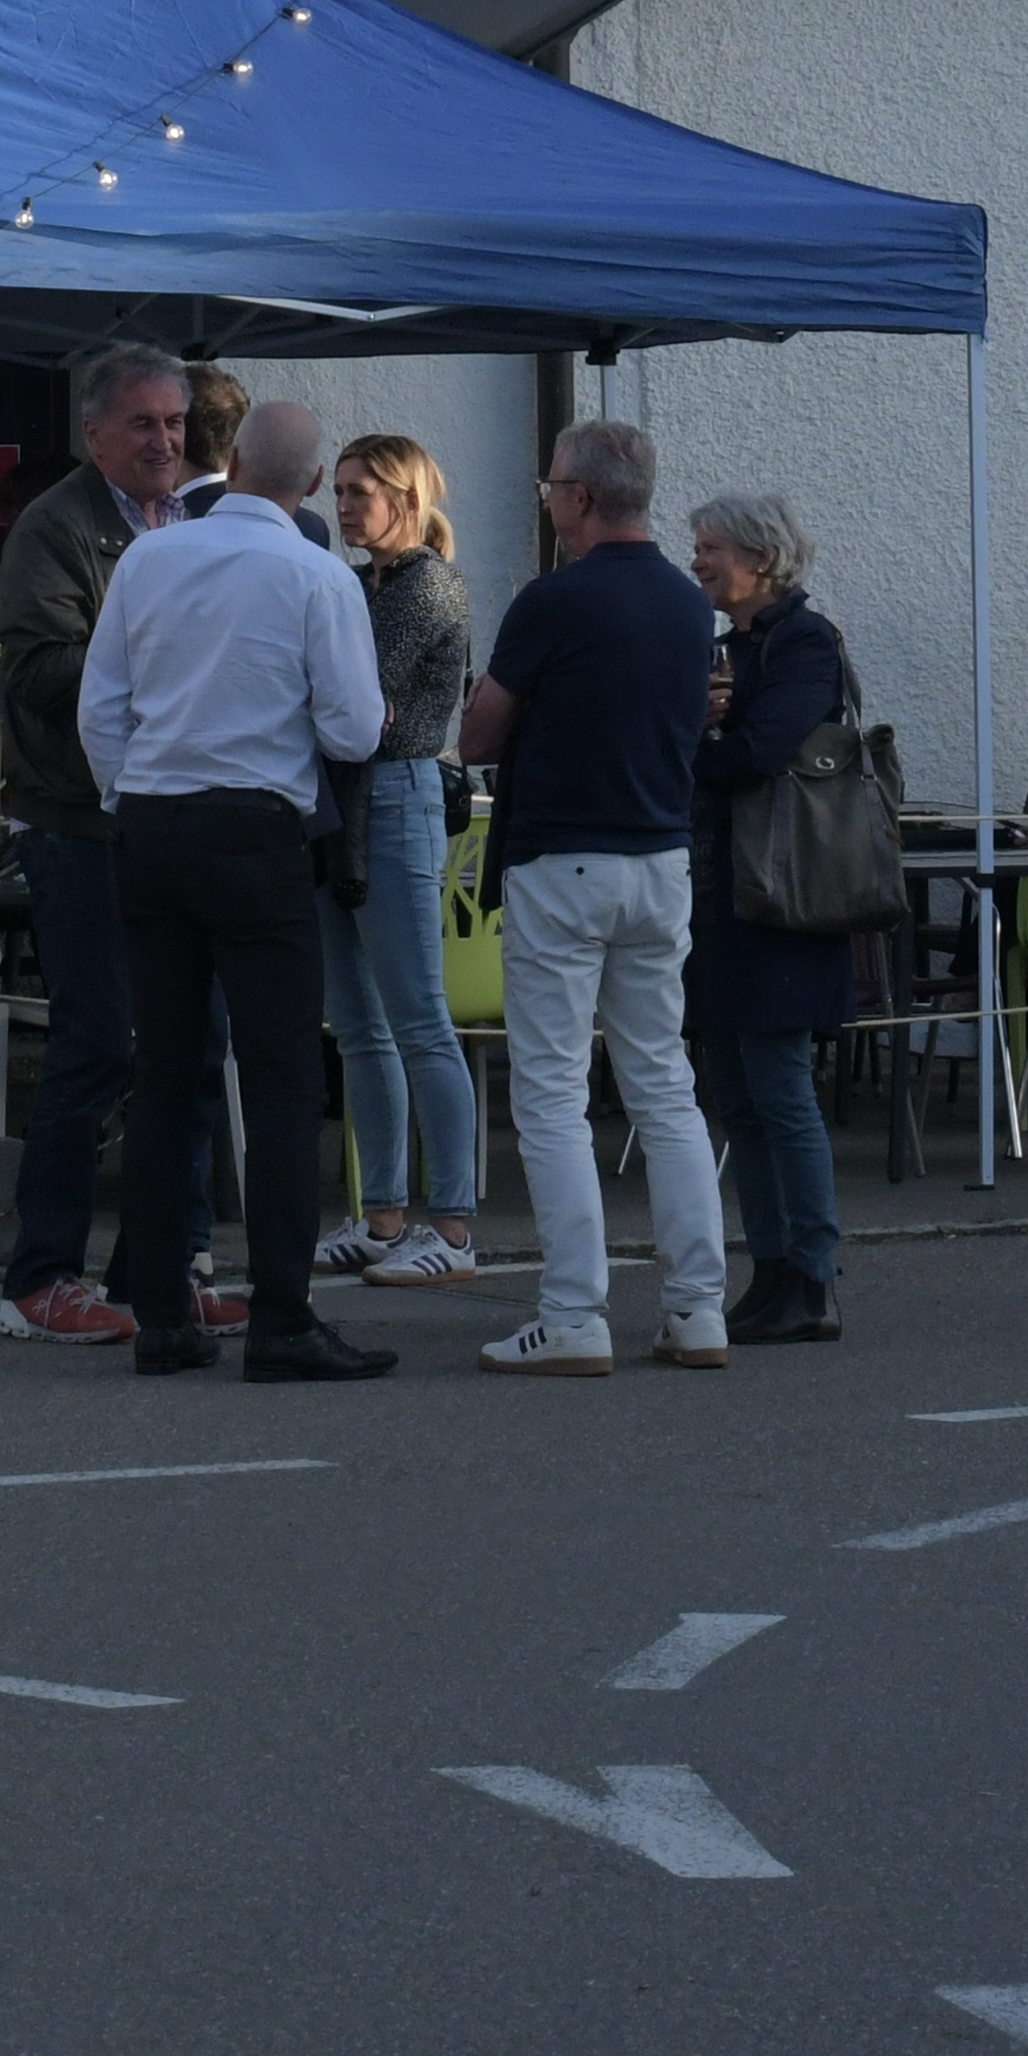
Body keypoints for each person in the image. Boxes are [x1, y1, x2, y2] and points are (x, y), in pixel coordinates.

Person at [76, 389, 392, 1382]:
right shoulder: (315, 574)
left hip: (155, 823)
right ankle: (282, 1315)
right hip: (257, 829)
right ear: (306, 480)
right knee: (282, 1076)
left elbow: (100, 708)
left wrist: (133, 792)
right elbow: (352, 729)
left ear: (235, 461)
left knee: (165, 1073)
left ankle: (162, 1313)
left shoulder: (150, 556)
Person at [460, 415, 731, 1373]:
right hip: (659, 860)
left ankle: (574, 1314)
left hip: (563, 860)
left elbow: (480, 736)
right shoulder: (687, 602)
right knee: (665, 1087)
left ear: (577, 497)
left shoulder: (552, 602)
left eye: (549, 489)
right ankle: (698, 1308)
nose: (547, 502)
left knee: (551, 1096)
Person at [0, 344, 201, 1345]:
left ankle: (161, 1270)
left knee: (187, 1046)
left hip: (177, 813)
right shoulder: (56, 526)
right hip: (77, 821)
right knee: (97, 1041)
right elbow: (32, 670)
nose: (164, 440)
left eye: (174, 422)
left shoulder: (196, 521)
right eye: (143, 423)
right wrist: (154, 653)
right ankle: (41, 1277)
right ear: (95, 433)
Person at [688, 496, 878, 1346]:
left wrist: (699, 731)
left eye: (710, 547)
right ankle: (769, 1273)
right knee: (739, 1093)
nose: (697, 562)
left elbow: (759, 753)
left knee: (779, 1090)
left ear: (761, 559)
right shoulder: (740, 645)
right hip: (732, 894)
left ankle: (810, 1274)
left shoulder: (804, 641)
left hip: (785, 895)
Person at [318, 434, 486, 1288]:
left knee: (419, 1018)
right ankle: (382, 1216)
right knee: (357, 1025)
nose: (345, 506)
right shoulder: (358, 583)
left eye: (361, 492)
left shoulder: (427, 585)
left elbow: (356, 694)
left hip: (396, 796)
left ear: (407, 501)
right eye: (340, 490)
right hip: (343, 802)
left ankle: (451, 1226)